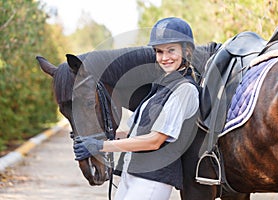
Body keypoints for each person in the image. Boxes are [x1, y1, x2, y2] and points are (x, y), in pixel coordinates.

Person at [73, 17, 200, 200]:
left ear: (186, 51)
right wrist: (93, 138)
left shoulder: (185, 90)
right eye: (159, 51)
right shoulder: (160, 87)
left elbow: (155, 140)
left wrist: (101, 146)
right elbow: (134, 133)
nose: (164, 58)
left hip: (152, 180)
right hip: (131, 174)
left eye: (171, 50)